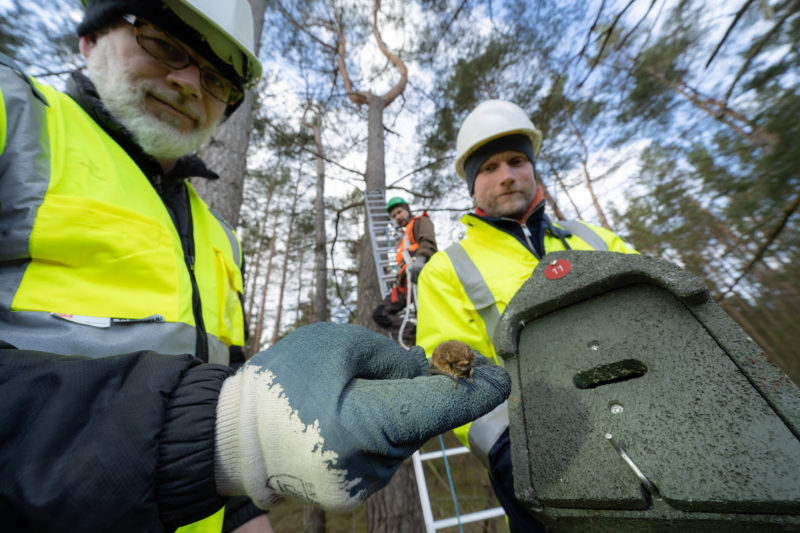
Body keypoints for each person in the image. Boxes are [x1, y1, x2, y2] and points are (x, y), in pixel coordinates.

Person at [0, 1, 512, 531]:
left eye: (218, 78)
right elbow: (229, 418)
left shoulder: (217, 236)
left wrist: (245, 505)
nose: (189, 83)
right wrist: (229, 434)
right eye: (164, 43)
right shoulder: (15, 116)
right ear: (91, 38)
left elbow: (224, 375)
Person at [416, 99, 637, 532]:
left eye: (517, 160)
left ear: (533, 168)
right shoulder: (447, 270)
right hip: (541, 458)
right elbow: (453, 376)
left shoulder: (597, 238)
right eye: (489, 167)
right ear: (472, 185)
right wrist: (512, 454)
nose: (506, 175)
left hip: (657, 423)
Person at [372, 196, 437, 344]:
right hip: (404, 283)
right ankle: (415, 333)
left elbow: (428, 241)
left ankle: (430, 338)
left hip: (421, 274)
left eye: (400, 212)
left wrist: (420, 259)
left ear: (407, 210)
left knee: (425, 313)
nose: (397, 217)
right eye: (394, 216)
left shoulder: (421, 221)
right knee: (380, 314)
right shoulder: (402, 238)